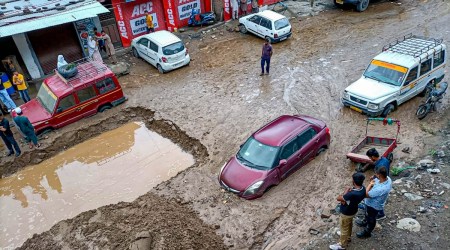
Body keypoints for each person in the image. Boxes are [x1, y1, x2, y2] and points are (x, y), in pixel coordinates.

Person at [329, 173, 366, 250]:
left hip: (346, 213)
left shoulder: (351, 194)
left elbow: (339, 199)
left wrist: (346, 190)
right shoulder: (363, 189)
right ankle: (348, 237)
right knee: (349, 224)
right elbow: (345, 200)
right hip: (354, 210)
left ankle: (342, 245)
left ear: (354, 181)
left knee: (344, 228)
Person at [356, 167, 392, 239]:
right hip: (373, 203)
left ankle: (367, 232)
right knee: (367, 215)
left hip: (373, 206)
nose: (375, 175)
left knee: (371, 218)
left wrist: (370, 184)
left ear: (379, 175)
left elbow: (365, 195)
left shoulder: (380, 189)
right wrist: (374, 178)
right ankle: (365, 222)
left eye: (376, 174)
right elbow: (377, 180)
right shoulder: (388, 179)